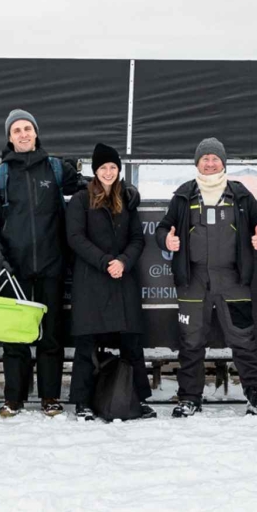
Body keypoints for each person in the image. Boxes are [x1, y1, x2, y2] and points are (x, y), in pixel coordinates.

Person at [156, 138, 257, 417]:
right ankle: (189, 398)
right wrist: (166, 241)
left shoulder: (240, 194)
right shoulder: (184, 194)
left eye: (215, 159)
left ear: (223, 163)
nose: (210, 164)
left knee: (244, 340)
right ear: (197, 163)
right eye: (205, 159)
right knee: (191, 342)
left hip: (233, 280)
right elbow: (163, 228)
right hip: (193, 281)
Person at [0, 109, 80, 416]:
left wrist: (125, 192)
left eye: (27, 128)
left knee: (51, 337)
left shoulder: (55, 169)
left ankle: (50, 397)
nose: (23, 134)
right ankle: (14, 398)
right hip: (14, 269)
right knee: (15, 337)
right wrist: (0, 258)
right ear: (9, 138)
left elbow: (93, 188)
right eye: (17, 130)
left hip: (51, 265)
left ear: (36, 133)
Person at [64, 143, 155, 421]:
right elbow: (75, 238)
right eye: (103, 167)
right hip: (91, 280)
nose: (108, 172)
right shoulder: (81, 199)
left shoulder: (127, 198)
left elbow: (138, 238)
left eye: (113, 167)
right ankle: (82, 401)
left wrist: (123, 261)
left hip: (122, 279)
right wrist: (105, 262)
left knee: (131, 342)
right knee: (86, 343)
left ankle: (138, 398)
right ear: (95, 170)